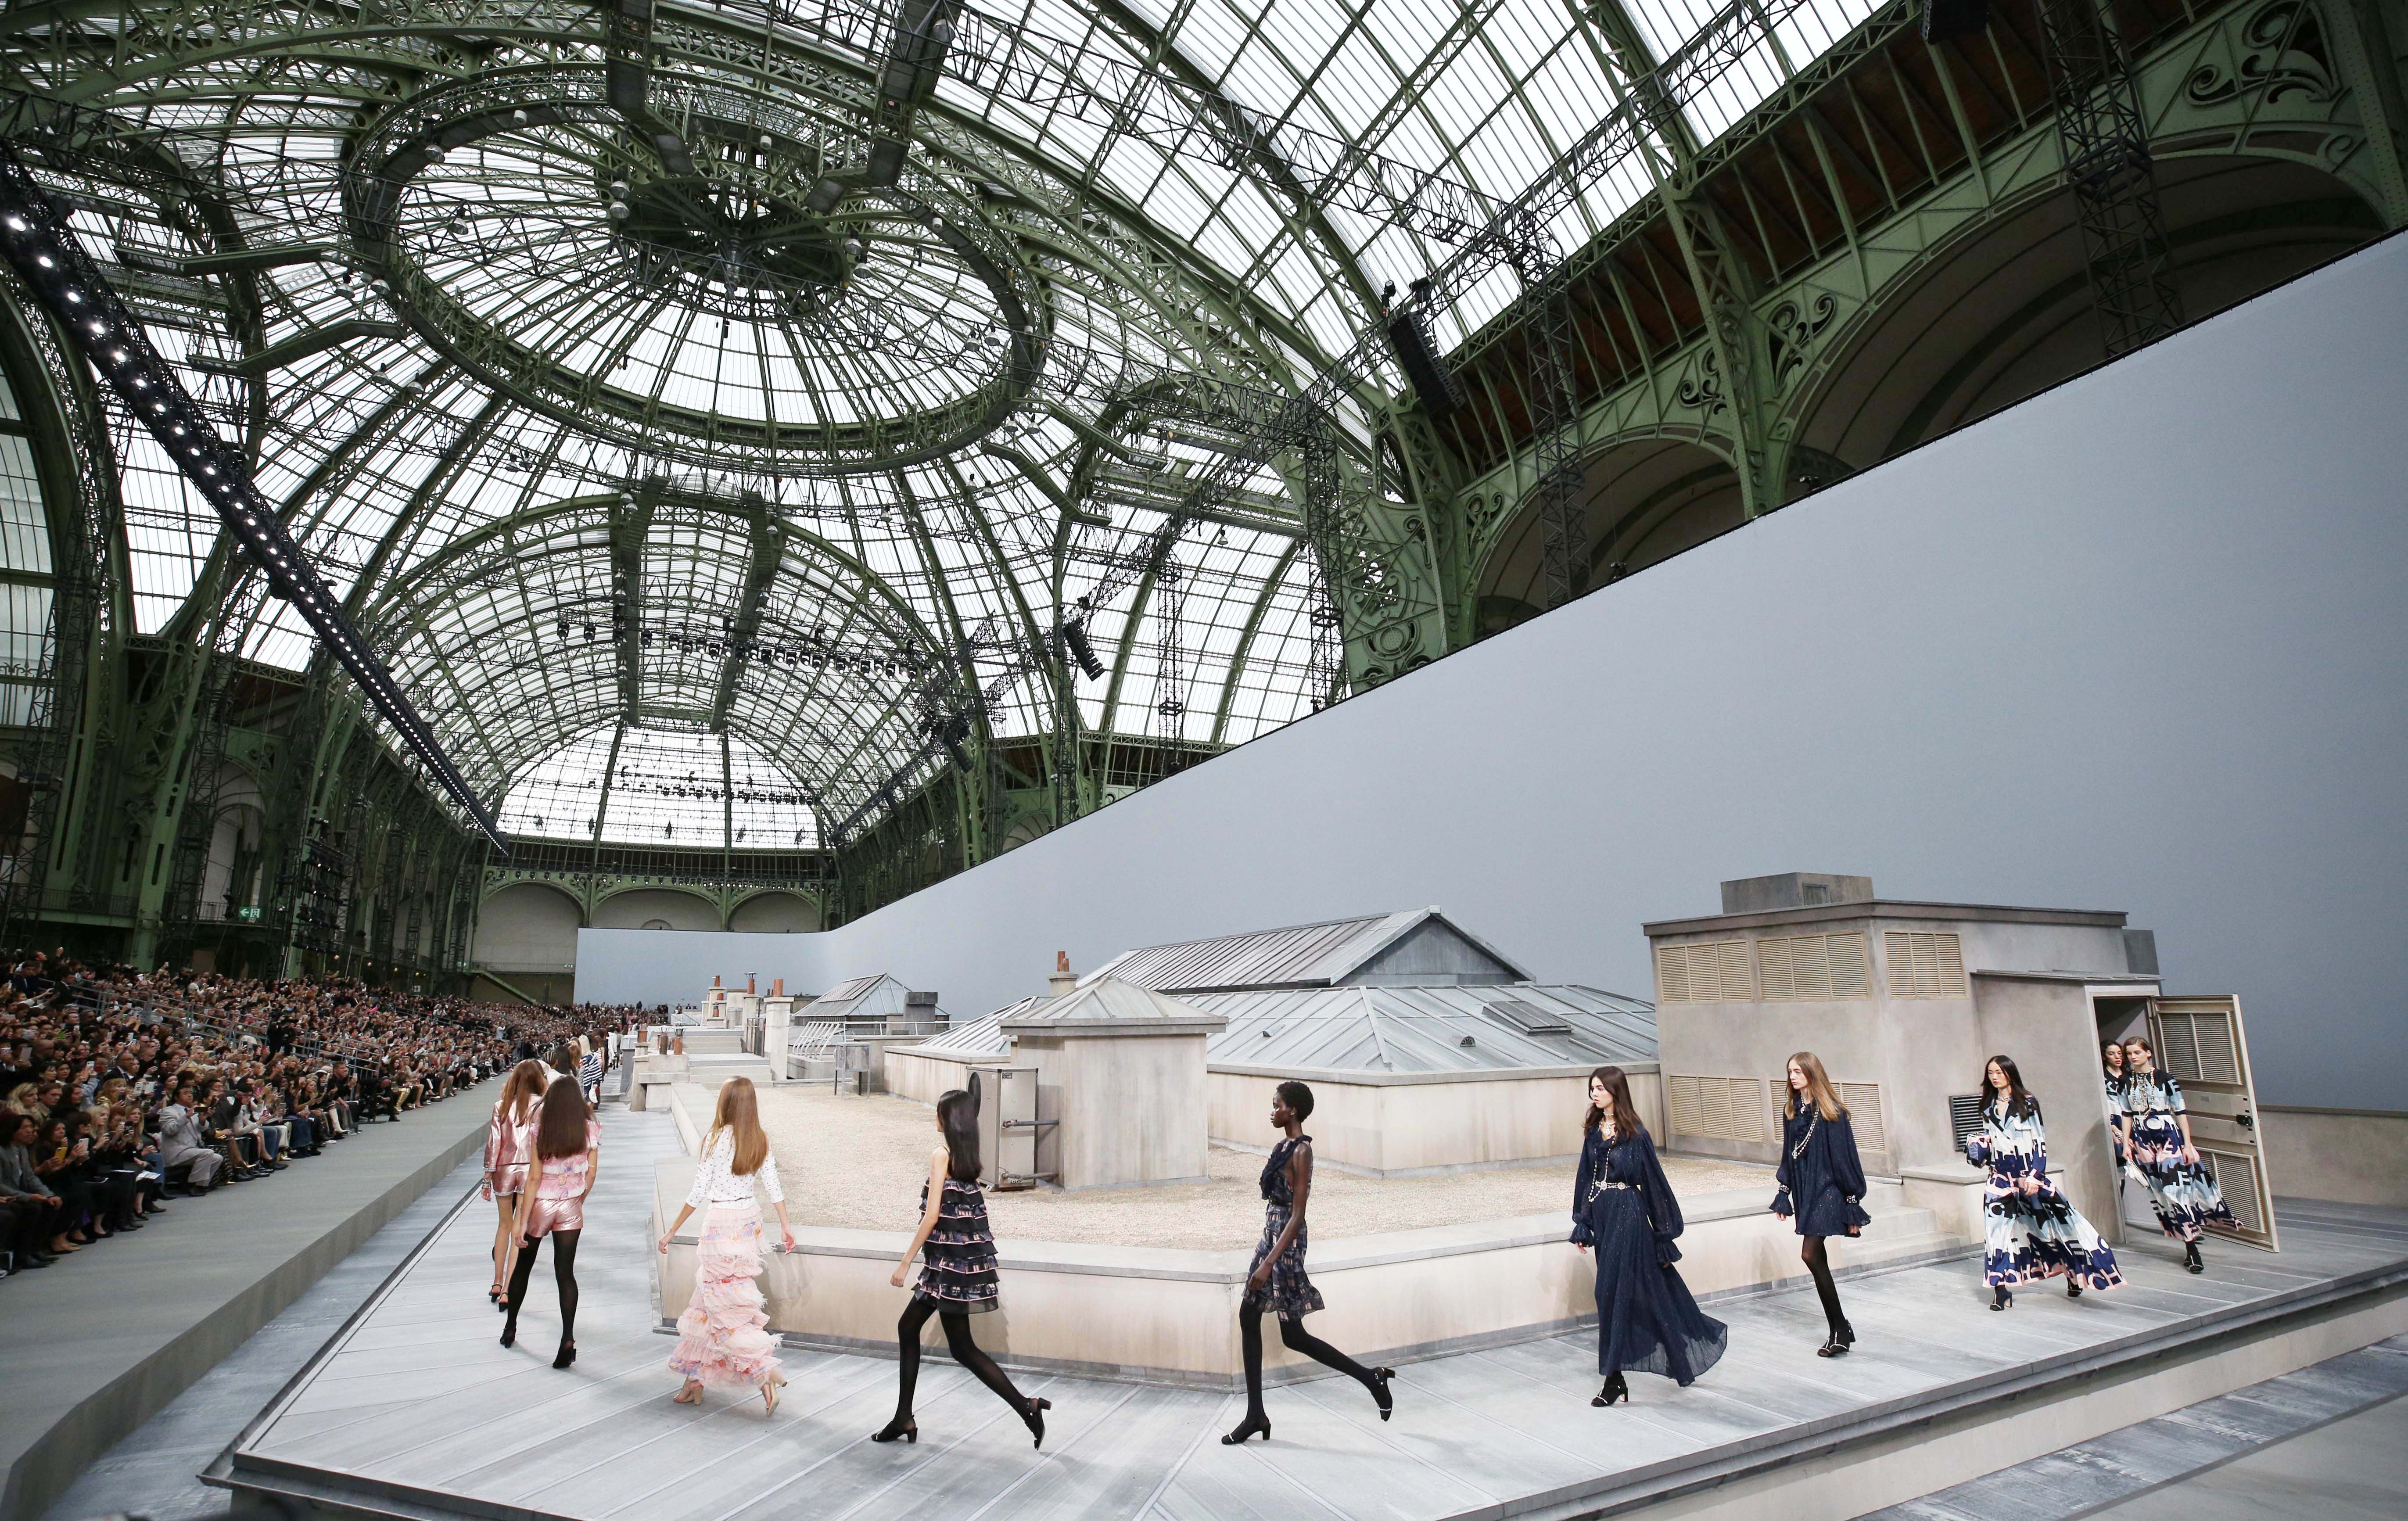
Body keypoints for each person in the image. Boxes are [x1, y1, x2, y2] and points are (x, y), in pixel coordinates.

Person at [873, 1087, 1050, 1448]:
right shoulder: (967, 1159)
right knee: (909, 1328)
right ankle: (903, 1417)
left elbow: (933, 1215)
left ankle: (1026, 1407)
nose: (935, 1119)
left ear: (949, 1121)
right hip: (951, 1266)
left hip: (947, 1270)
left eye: (939, 1114)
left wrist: (904, 1263)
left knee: (963, 1349)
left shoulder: (941, 1155)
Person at [1222, 1080, 1394, 1444]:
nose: (1273, 1111)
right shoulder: (1281, 1146)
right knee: (1249, 1316)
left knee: (1293, 1335)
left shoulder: (1302, 1151)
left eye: (1277, 1105)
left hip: (1285, 1243)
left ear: (1293, 1111)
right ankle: (1256, 1414)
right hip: (1270, 1235)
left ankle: (1370, 1378)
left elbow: (1298, 1214)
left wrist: (1268, 1263)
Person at [1570, 1065, 1725, 1405]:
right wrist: (1582, 1222)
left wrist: (1664, 1234)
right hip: (1603, 1214)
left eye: (1599, 1088)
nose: (1594, 1094)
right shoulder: (1594, 1132)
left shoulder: (1635, 1134)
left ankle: (1613, 1380)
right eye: (1591, 1088)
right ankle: (1677, 1357)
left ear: (1615, 1091)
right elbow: (1584, 1178)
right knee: (1637, 1293)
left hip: (1628, 1214)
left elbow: (1654, 1183)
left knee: (1610, 1293)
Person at [659, 1076, 792, 1414]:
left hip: (720, 1224)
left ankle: (766, 1376)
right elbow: (773, 1184)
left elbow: (699, 1190)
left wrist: (672, 1230)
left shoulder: (715, 1139)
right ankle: (693, 1383)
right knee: (709, 1304)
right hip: (748, 1222)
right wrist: (787, 1226)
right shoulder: (759, 1139)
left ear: (726, 1103)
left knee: (724, 1313)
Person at [1967, 1055, 2123, 1308]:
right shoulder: (1987, 1106)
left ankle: (2074, 1273)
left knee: (2054, 1229)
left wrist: (2035, 1176)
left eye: (1999, 1072)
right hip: (1999, 1180)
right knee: (1996, 1235)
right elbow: (1990, 1137)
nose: (1995, 1077)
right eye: (1991, 1073)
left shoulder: (2028, 1103)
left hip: (2029, 1177)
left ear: (2010, 1074)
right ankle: (2000, 1289)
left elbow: (2039, 1142)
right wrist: (1978, 1150)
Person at [1769, 1051, 1870, 1356]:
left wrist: (1852, 1199)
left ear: (1812, 1073)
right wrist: (1783, 1192)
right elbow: (1789, 1154)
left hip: (1828, 1190)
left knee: (1810, 1254)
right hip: (1804, 1190)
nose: (1793, 1077)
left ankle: (1839, 1328)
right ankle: (1840, 1327)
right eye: (1790, 1072)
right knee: (1818, 1259)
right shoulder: (1792, 1111)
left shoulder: (1832, 1112)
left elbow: (1844, 1159)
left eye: (1798, 1071)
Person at [502, 1076, 600, 1368]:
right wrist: (577, 1200)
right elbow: (591, 1174)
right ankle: (567, 1339)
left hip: (541, 1203)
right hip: (571, 1204)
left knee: (524, 1267)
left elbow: (533, 1178)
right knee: (565, 1273)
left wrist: (521, 1222)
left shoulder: (541, 1130)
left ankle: (511, 1327)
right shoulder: (590, 1129)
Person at [2120, 1037, 2234, 1273]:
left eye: (2137, 1052)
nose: (2133, 1057)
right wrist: (2126, 1144)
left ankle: (2193, 1250)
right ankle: (2188, 1243)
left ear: (2149, 1053)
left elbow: (2180, 1111)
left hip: (2168, 1135)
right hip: (2142, 1140)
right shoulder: (2126, 1081)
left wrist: (2189, 1144)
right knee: (2160, 1193)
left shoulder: (2166, 1079)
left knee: (2176, 1191)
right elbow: (2126, 1113)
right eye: (2130, 1053)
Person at [483, 1060, 546, 1308]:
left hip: (504, 1169)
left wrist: (487, 1176)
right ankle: (509, 1288)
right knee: (521, 1227)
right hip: (530, 1169)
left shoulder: (501, 1106)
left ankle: (496, 1282)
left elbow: (494, 1142)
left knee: (504, 1225)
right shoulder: (541, 1106)